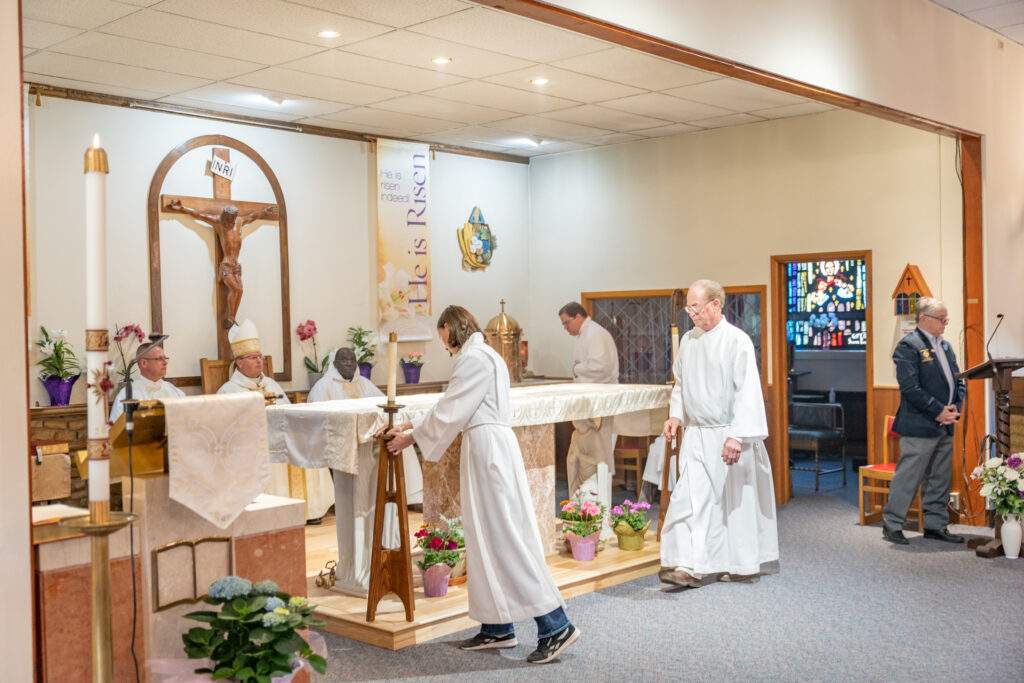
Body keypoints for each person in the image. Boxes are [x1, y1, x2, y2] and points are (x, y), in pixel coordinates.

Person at [386, 306, 578, 664]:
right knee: (484, 538)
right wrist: (414, 429)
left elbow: (450, 409)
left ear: (448, 328)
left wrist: (410, 436)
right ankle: (497, 626)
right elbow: (452, 407)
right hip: (484, 450)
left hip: (490, 453)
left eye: (440, 334)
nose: (442, 342)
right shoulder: (481, 354)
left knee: (505, 538)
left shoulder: (474, 358)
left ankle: (556, 624)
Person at [659, 279, 779, 588]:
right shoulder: (688, 340)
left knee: (730, 503)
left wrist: (737, 436)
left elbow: (748, 392)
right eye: (689, 308)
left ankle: (735, 562)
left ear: (716, 304)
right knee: (691, 498)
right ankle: (688, 563)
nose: (692, 314)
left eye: (696, 307)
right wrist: (675, 416)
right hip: (697, 433)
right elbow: (681, 384)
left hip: (728, 434)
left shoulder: (736, 341)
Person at [218, 319, 334, 523]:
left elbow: (287, 411)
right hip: (250, 443)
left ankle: (310, 509)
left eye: (259, 357)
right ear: (239, 362)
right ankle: (274, 513)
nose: (259, 361)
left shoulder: (271, 384)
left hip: (279, 435)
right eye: (253, 357)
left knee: (306, 443)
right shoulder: (228, 390)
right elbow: (226, 430)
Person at [882, 297, 966, 545]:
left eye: (946, 319)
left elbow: (958, 380)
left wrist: (954, 407)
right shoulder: (908, 346)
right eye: (941, 319)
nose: (945, 323)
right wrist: (937, 410)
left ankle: (935, 524)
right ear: (923, 319)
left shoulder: (946, 346)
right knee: (909, 477)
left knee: (940, 477)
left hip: (946, 422)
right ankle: (892, 523)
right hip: (919, 424)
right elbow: (910, 388)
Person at [308, 347, 422, 505]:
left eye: (352, 360)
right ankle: (364, 498)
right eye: (344, 360)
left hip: (370, 435)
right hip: (341, 439)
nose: (349, 364)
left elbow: (385, 407)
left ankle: (408, 495)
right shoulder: (323, 386)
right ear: (335, 364)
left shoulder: (364, 384)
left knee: (398, 438)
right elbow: (317, 420)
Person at [558, 302, 619, 497]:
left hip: (598, 407)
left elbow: (600, 367)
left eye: (566, 323)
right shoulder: (585, 334)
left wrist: (577, 368)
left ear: (578, 317)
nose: (565, 328)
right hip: (588, 406)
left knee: (598, 459)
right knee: (586, 460)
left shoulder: (594, 334)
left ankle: (597, 504)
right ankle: (587, 502)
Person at [109, 334, 185, 422]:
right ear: (144, 363)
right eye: (159, 359)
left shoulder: (176, 393)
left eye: (165, 358)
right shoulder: (126, 396)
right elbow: (115, 431)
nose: (165, 363)